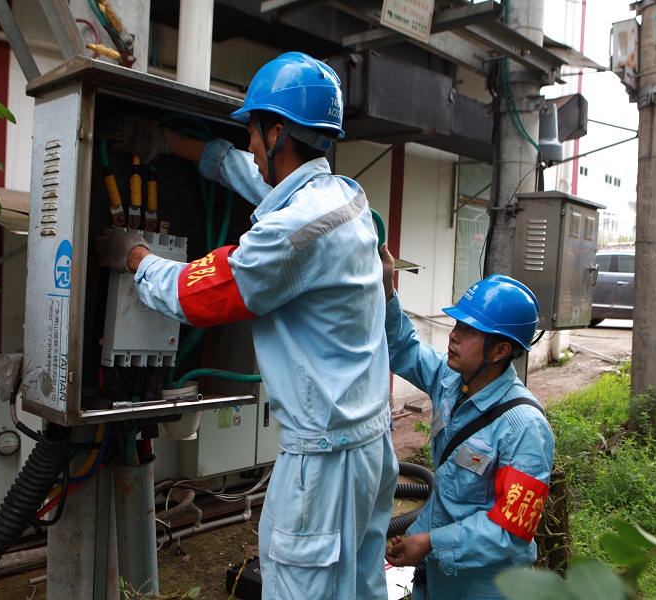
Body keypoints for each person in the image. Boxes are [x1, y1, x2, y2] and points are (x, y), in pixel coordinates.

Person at [95, 52, 398, 599]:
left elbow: (194, 296)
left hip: (321, 463)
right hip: (370, 449)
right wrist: (165, 143)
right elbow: (248, 174)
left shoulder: (289, 234)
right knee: (359, 588)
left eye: (255, 134)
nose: (252, 148)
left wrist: (133, 255)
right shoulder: (342, 197)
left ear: (277, 132)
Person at [379, 244, 554, 600]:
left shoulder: (524, 429)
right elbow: (404, 349)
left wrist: (431, 542)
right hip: (436, 577)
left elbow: (511, 531)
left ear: (500, 350)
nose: (453, 335)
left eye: (469, 330)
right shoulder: (449, 379)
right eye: (456, 324)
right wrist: (385, 290)